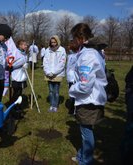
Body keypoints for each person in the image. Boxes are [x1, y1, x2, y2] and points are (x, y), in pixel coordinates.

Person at [69, 23, 107, 165]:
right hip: (90, 98)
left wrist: (72, 90)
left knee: (86, 132)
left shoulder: (88, 55)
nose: (73, 40)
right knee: (85, 130)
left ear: (81, 37)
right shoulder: (91, 51)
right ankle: (81, 156)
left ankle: (86, 161)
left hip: (88, 100)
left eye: (74, 37)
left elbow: (85, 85)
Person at [43, 35, 66, 112]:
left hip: (57, 74)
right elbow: (45, 61)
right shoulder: (47, 50)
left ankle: (55, 105)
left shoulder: (62, 50)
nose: (53, 44)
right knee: (50, 91)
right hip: (48, 73)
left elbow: (62, 63)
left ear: (57, 42)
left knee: (56, 91)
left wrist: (54, 72)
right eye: (51, 42)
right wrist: (47, 71)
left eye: (54, 42)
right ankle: (51, 105)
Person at [11, 39, 28, 119]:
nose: (26, 46)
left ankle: (19, 107)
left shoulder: (25, 54)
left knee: (20, 93)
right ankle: (14, 107)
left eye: (26, 45)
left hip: (22, 76)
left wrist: (26, 65)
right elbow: (12, 64)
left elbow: (25, 61)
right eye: (24, 45)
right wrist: (20, 64)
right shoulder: (16, 52)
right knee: (16, 93)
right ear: (20, 45)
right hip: (16, 76)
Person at [66, 40, 79, 114]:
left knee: (75, 94)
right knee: (71, 93)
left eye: (69, 45)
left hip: (74, 78)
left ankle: (75, 109)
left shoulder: (78, 55)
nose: (68, 47)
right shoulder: (70, 55)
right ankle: (71, 108)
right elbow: (68, 67)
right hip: (70, 78)